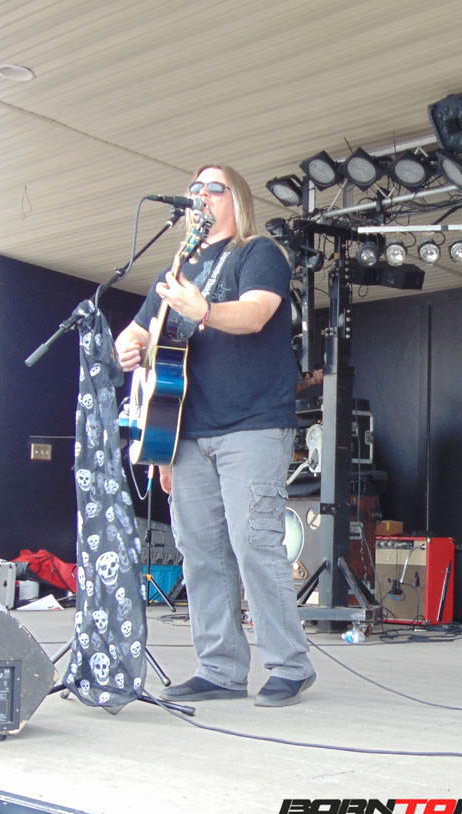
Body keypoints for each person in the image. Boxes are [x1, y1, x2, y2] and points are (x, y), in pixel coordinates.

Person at [115, 164, 315, 707]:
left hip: (252, 423)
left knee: (255, 543)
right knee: (200, 551)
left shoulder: (259, 252)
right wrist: (127, 347)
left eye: (214, 188)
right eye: (195, 189)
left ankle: (290, 665)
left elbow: (255, 315)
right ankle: (220, 669)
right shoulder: (177, 270)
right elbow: (137, 331)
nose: (201, 195)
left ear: (237, 200)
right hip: (184, 431)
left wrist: (202, 309)